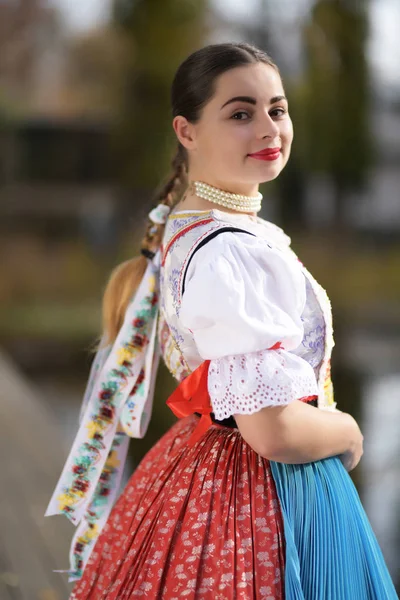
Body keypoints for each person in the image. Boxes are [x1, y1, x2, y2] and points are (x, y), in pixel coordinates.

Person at [45, 42, 398, 599]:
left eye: (277, 109)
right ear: (186, 131)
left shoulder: (206, 231)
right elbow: (273, 431)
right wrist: (349, 432)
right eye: (240, 113)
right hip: (254, 494)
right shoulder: (225, 252)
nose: (268, 128)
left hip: (208, 467)